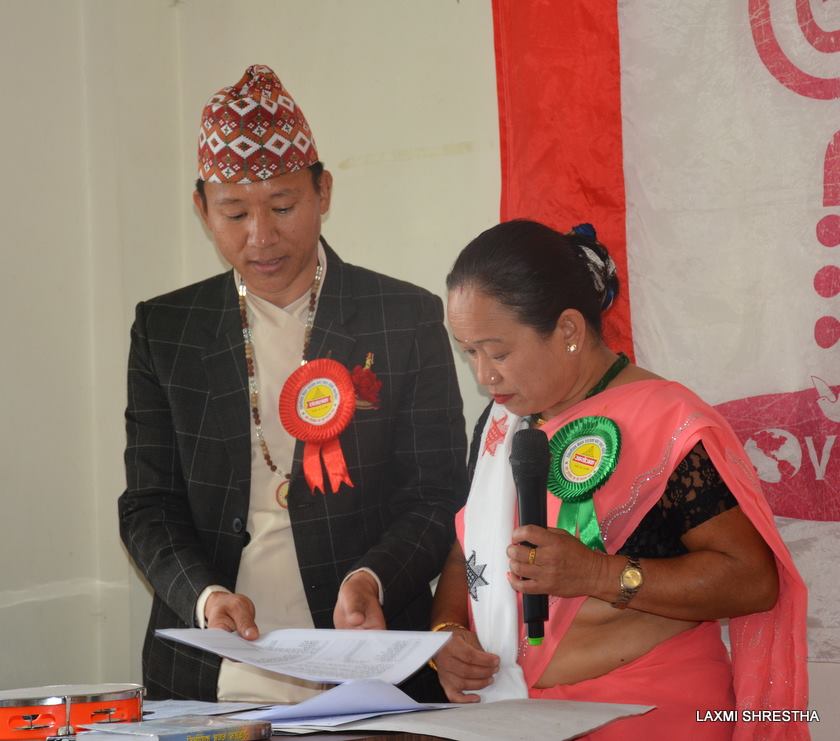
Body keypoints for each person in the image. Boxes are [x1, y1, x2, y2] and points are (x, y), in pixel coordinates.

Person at [118, 64, 467, 703]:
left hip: (367, 658)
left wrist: (373, 578)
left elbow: (436, 492)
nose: (262, 237)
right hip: (214, 670)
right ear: (202, 209)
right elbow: (148, 504)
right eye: (234, 213)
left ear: (322, 191)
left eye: (283, 207)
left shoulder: (402, 317)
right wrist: (205, 597)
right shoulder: (167, 330)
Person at [430, 220, 809, 739]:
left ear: (568, 330)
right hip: (514, 716)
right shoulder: (502, 422)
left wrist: (596, 574)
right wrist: (447, 632)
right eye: (469, 352)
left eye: (498, 352)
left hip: (651, 715)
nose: (483, 376)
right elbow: (467, 551)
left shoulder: (667, 422)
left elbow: (753, 581)